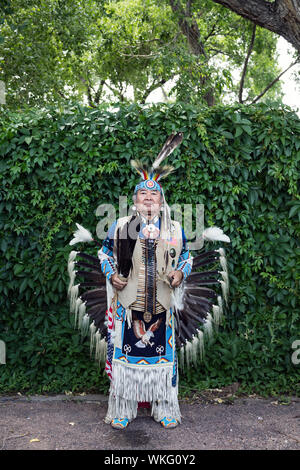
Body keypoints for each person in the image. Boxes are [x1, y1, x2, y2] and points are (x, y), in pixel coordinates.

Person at [97, 169, 192, 429]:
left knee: (164, 361)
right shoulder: (121, 226)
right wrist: (112, 274)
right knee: (124, 360)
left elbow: (186, 256)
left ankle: (163, 407)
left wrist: (180, 273)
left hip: (162, 305)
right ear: (135, 200)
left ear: (161, 202)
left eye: (154, 195)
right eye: (143, 194)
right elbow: (104, 253)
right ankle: (123, 408)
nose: (148, 199)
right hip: (128, 306)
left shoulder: (174, 229)